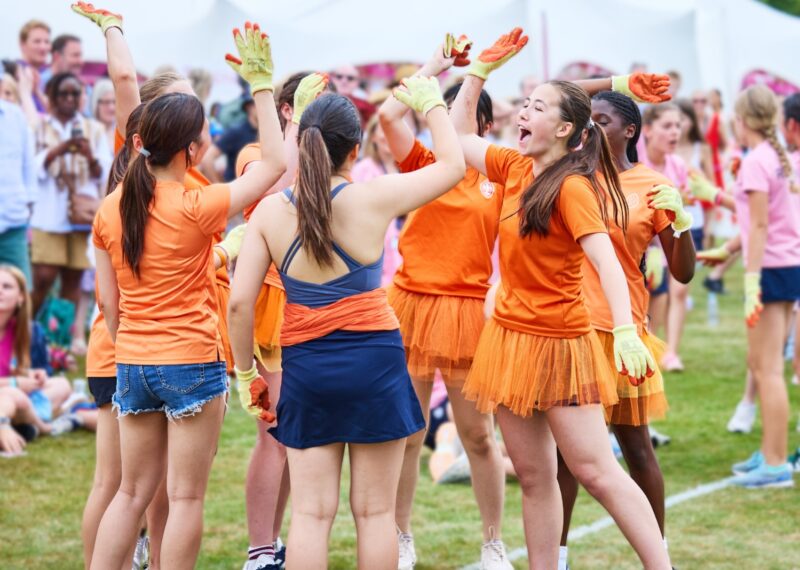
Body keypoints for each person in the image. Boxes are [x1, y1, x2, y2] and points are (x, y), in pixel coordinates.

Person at [451, 28, 671, 569]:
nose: (523, 112)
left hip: (560, 343)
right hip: (509, 340)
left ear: (566, 128)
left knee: (597, 472)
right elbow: (457, 136)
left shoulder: (574, 187)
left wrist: (623, 331)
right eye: (523, 104)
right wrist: (477, 72)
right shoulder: (513, 166)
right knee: (533, 476)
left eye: (537, 107)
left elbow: (607, 265)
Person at [228, 74, 464, 567]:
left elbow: (239, 302)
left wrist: (248, 375)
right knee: (375, 512)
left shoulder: (270, 211)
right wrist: (432, 104)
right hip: (373, 364)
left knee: (311, 514)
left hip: (307, 369)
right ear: (354, 150)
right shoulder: (373, 198)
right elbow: (453, 165)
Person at [89, 21, 286, 570]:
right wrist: (262, 85)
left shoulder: (112, 206)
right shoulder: (198, 206)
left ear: (137, 142)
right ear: (192, 151)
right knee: (186, 498)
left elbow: (110, 307)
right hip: (190, 359)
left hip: (132, 361)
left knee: (129, 494)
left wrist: (137, 343)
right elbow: (273, 164)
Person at [378, 35, 512, 569]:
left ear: (482, 122)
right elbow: (389, 114)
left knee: (478, 435)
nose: (452, 120)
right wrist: (435, 66)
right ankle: (400, 537)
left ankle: (493, 544)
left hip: (466, 312)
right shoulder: (423, 160)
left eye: (463, 111)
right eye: (446, 109)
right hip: (410, 303)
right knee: (407, 433)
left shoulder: (498, 173)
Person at [556, 90, 696, 570]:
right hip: (569, 327)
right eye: (587, 120)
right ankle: (556, 555)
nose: (591, 128)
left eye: (602, 120)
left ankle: (659, 556)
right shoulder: (571, 176)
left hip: (622, 332)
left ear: (629, 130)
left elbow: (682, 273)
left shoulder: (650, 185)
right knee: (564, 454)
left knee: (636, 447)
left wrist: (681, 223)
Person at [233, 70, 330, 570]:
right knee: (273, 436)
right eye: (310, 105)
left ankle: (272, 543)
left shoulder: (323, 164)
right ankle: (259, 550)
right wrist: (291, 125)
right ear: (288, 111)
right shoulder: (256, 155)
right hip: (272, 305)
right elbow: (280, 183)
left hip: (309, 306)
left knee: (295, 438)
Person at [727, 85, 798, 489]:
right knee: (762, 366)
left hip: (771, 268)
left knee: (768, 369)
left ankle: (775, 464)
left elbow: (759, 224)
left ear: (742, 120)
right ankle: (771, 450)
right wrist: (728, 250)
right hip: (787, 265)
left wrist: (751, 278)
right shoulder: (782, 157)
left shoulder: (759, 161)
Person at [30, 71, 112, 320]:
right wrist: (57, 151)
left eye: (75, 93)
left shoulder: (93, 129)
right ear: (52, 96)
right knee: (43, 277)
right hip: (48, 213)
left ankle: (58, 345)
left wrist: (89, 156)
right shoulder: (38, 128)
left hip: (81, 214)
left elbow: (105, 173)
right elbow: (31, 169)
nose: (69, 98)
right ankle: (25, 329)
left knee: (73, 280)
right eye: (63, 93)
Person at [0, 264, 97, 440]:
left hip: (19, 398)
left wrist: (33, 375)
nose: (0, 291)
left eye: (6, 287)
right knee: (12, 396)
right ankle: (44, 424)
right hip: (8, 396)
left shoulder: (29, 331)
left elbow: (38, 374)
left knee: (61, 385)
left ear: (21, 297)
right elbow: (14, 385)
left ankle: (28, 422)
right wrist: (14, 383)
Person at [639, 103, 692, 371]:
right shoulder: (634, 160)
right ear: (647, 130)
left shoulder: (678, 164)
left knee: (679, 289)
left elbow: (682, 203)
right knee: (650, 294)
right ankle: (649, 345)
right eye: (667, 126)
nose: (675, 132)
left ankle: (670, 351)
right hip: (640, 242)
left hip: (667, 239)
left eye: (678, 126)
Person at [351, 115, 403, 286]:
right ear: (373, 136)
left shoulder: (407, 169)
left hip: (403, 257)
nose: (388, 136)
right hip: (376, 257)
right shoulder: (363, 170)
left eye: (392, 130)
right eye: (383, 130)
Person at [0, 96, 36, 285]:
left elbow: (28, 163)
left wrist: (28, 205)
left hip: (12, 221)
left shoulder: (15, 115)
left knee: (20, 289)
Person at [200, 95, 258, 182]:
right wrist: (218, 187)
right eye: (259, 102)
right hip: (238, 191)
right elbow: (207, 158)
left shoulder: (268, 130)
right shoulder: (237, 131)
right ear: (249, 107)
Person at [17, 19, 51, 112]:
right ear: (22, 44)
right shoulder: (12, 73)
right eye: (37, 41)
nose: (43, 47)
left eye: (46, 42)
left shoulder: (51, 75)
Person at [91, 78, 116, 150]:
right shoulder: (88, 132)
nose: (111, 108)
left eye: (114, 102)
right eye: (106, 102)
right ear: (96, 104)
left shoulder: (121, 133)